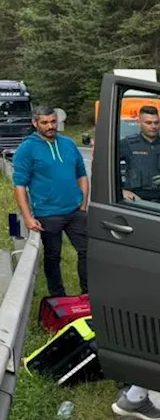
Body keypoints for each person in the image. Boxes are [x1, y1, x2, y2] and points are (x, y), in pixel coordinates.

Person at [13, 106, 89, 299]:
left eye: (53, 122)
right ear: (35, 123)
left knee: (88, 251)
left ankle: (88, 293)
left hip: (75, 211)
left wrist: (83, 204)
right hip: (48, 213)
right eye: (45, 122)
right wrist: (28, 218)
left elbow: (81, 174)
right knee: (53, 257)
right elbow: (19, 186)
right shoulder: (27, 148)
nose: (50, 126)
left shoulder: (68, 144)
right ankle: (58, 296)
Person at [119, 105, 160, 205]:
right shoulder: (127, 144)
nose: (153, 126)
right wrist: (122, 191)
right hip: (137, 202)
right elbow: (108, 171)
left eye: (156, 122)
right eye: (148, 123)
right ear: (139, 123)